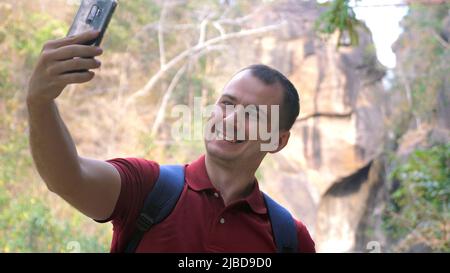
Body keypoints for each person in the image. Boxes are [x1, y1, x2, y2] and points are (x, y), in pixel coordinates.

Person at [26, 30, 315, 253]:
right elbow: (67, 178)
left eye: (253, 114)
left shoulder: (289, 239)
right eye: (226, 103)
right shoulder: (148, 188)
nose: (230, 120)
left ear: (278, 141)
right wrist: (40, 102)